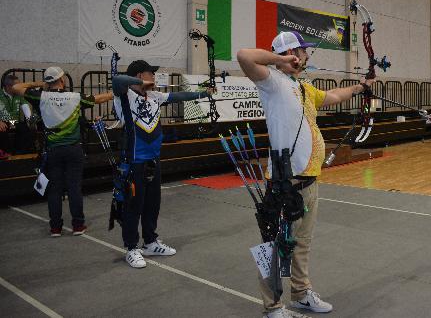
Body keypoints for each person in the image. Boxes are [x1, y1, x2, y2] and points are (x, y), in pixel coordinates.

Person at [237, 31, 376, 318]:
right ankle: (273, 306)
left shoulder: (303, 88)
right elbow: (244, 56)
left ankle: (300, 293)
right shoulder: (272, 82)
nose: (307, 55)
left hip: (310, 180)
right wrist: (280, 60)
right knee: (276, 245)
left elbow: (334, 96)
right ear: (292, 54)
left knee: (302, 243)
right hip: (285, 181)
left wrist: (360, 87)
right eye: (302, 51)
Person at [112, 60, 213, 269]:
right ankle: (131, 248)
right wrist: (141, 84)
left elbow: (179, 96)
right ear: (139, 75)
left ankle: (150, 242)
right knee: (133, 206)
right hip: (134, 163)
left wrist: (204, 93)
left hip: (153, 161)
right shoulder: (124, 95)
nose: (154, 76)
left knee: (152, 204)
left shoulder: (154, 96)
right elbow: (117, 80)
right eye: (150, 73)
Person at [11, 67, 112, 236]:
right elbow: (100, 98)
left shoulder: (40, 96)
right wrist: (117, 92)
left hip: (53, 151)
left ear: (48, 81)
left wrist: (39, 83)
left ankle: (55, 228)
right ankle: (78, 225)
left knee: (55, 189)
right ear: (62, 80)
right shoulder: (75, 97)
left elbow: (16, 87)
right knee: (74, 188)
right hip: (73, 149)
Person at [0, 74, 33, 157]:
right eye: (17, 86)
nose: (20, 88)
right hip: (2, 122)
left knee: (26, 129)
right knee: (2, 131)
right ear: (8, 86)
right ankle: (6, 153)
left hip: (13, 122)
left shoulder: (18, 94)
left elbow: (25, 106)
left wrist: (30, 119)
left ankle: (20, 154)